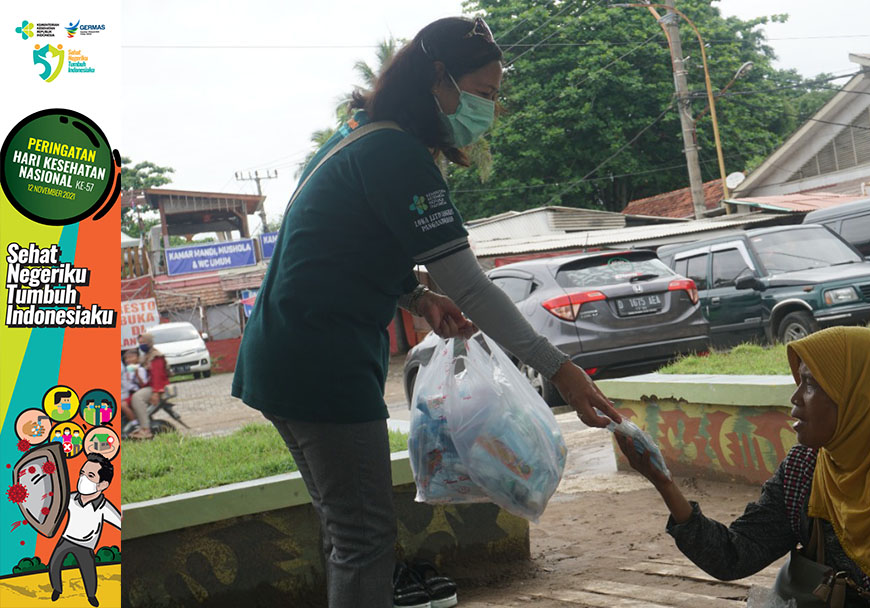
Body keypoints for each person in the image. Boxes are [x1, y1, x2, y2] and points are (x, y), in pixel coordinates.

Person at [231, 16, 621, 608]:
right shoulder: (395, 152)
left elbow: (339, 248)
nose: (490, 110)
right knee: (364, 539)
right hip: (321, 365)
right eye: (484, 95)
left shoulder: (357, 136)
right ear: (439, 79)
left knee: (347, 535)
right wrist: (559, 367)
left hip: (284, 356)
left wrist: (416, 296)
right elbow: (470, 285)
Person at [617, 326, 870, 607]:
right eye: (799, 381)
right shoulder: (807, 467)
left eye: (810, 384)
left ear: (858, 400)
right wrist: (664, 483)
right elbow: (734, 555)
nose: (795, 398)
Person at [48, 453, 121, 607]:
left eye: (90, 475)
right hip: (66, 539)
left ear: (103, 485)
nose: (83, 478)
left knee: (88, 572)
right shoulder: (71, 499)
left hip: (86, 545)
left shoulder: (104, 507)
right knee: (54, 563)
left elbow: (119, 522)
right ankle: (57, 589)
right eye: (82, 473)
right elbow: (55, 505)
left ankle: (91, 596)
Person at [129, 334, 168, 439]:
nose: (142, 345)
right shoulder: (146, 356)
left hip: (157, 388)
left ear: (150, 342)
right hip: (150, 386)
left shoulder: (155, 356)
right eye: (140, 343)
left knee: (137, 398)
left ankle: (146, 430)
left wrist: (155, 393)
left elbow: (158, 376)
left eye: (144, 342)